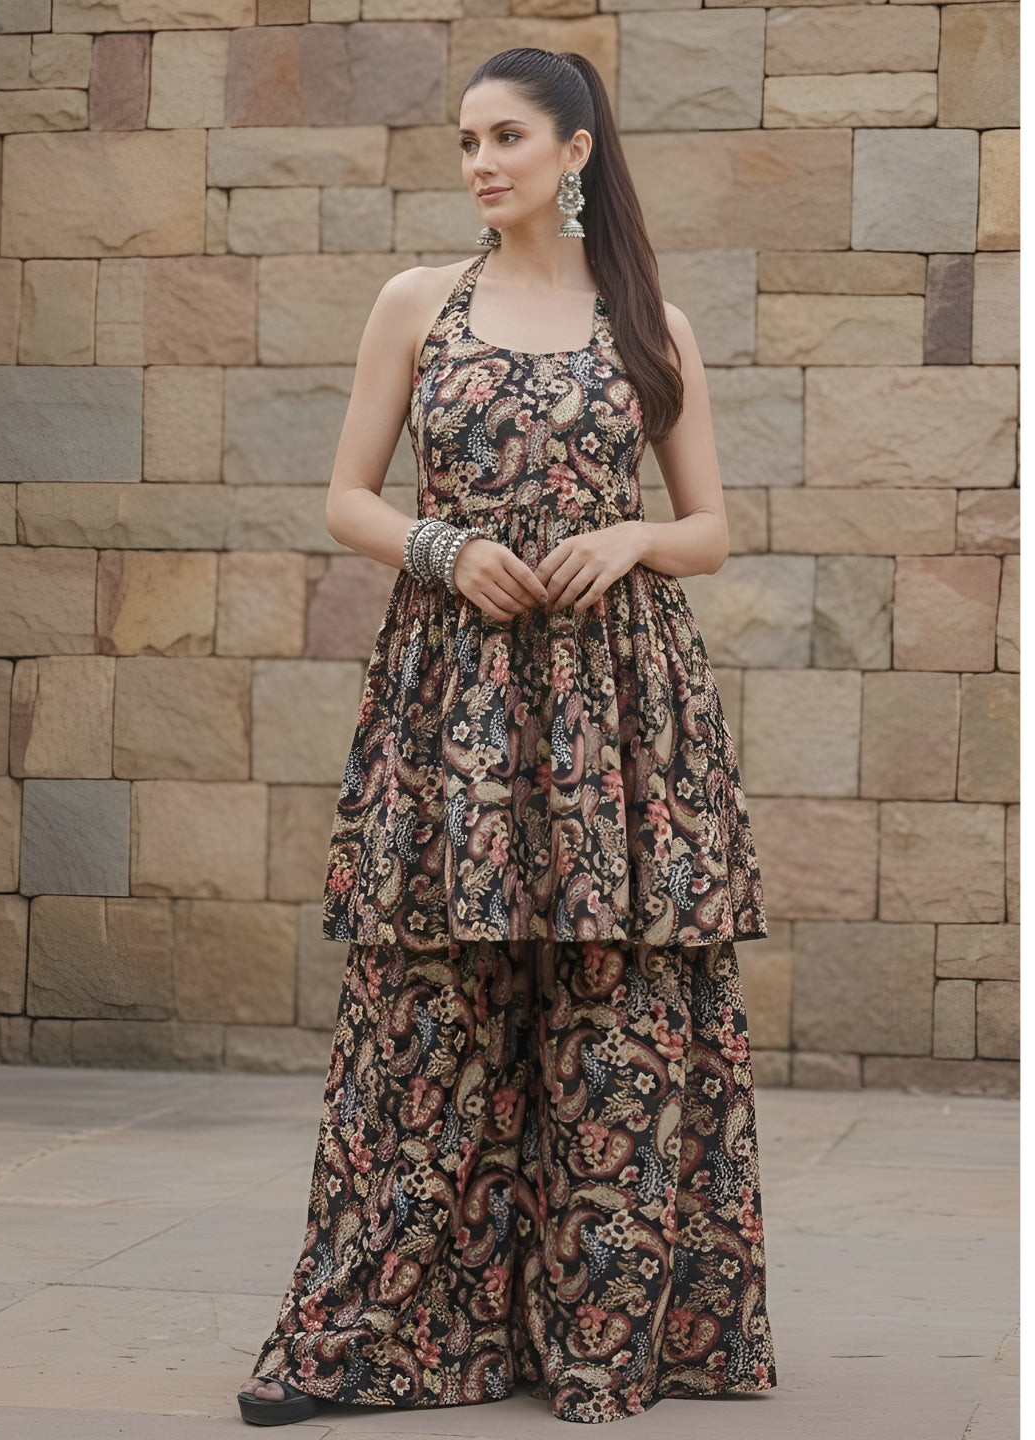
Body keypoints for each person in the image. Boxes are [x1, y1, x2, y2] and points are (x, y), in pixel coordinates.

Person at [237, 45, 777, 1429]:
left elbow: (711, 530)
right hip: (457, 699)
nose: (480, 162)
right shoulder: (418, 302)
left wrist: (632, 539)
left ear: (575, 150)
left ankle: (602, 1333)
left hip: (618, 711)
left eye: (507, 138)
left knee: (615, 1012)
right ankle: (371, 1333)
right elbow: (348, 497)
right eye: (467, 141)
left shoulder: (649, 324)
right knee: (429, 1011)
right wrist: (444, 546)